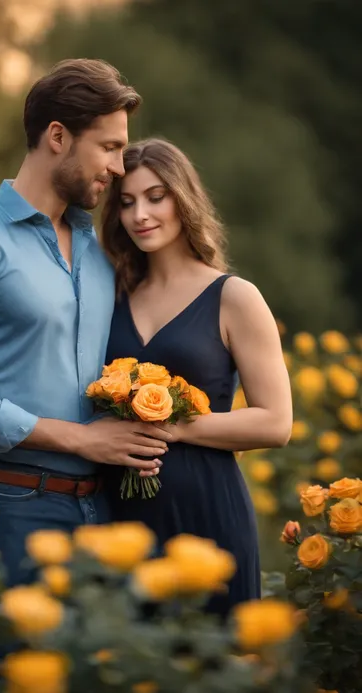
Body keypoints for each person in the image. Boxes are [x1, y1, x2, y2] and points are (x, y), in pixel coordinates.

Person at [0, 60, 170, 588]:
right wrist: (79, 440)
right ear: (58, 136)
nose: (119, 167)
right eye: (109, 147)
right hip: (7, 505)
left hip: (101, 511)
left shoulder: (100, 253)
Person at [101, 138, 293, 614]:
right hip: (119, 516)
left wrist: (167, 425)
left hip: (207, 511)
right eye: (126, 203)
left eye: (155, 196)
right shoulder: (112, 296)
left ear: (183, 198)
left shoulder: (235, 297)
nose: (139, 214)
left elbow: (275, 423)